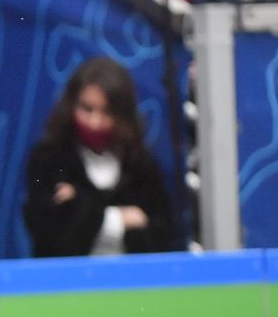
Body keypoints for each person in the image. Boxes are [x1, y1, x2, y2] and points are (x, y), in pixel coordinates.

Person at [22, 56, 177, 257]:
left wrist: (81, 204)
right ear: (70, 105)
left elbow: (160, 236)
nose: (95, 122)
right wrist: (123, 219)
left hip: (130, 283)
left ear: (123, 114)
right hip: (67, 284)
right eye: (87, 109)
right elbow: (51, 234)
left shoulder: (140, 163)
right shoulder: (48, 159)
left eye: (107, 112)